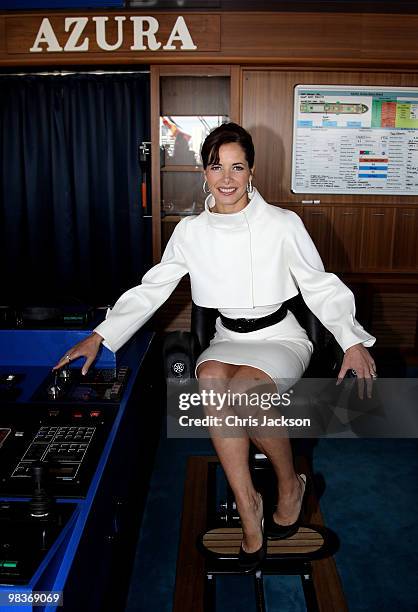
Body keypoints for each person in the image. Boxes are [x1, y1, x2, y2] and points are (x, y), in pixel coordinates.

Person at [54, 123, 376, 572]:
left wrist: (352, 340)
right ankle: (249, 508)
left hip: (280, 336)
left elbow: (320, 287)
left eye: (236, 167)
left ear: (252, 171)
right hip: (227, 338)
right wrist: (100, 334)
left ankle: (289, 486)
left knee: (243, 393)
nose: (226, 178)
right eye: (215, 167)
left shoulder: (284, 224)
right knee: (209, 378)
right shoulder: (190, 231)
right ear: (203, 172)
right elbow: (154, 288)